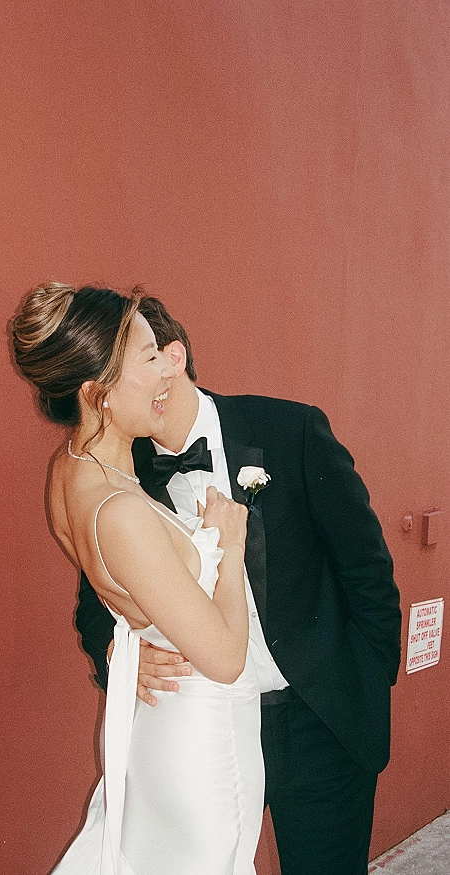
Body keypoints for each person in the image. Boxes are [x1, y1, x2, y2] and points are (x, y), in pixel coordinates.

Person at [76, 295, 402, 875]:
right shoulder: (124, 477)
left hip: (316, 719)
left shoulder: (290, 429)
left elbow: (369, 575)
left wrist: (365, 690)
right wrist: (119, 654)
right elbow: (96, 601)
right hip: (203, 734)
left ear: (173, 359)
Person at [11, 282, 267, 875]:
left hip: (161, 721)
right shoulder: (120, 511)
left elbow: (130, 601)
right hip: (202, 740)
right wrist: (229, 547)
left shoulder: (70, 469)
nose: (166, 373)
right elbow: (226, 658)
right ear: (96, 393)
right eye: (148, 359)